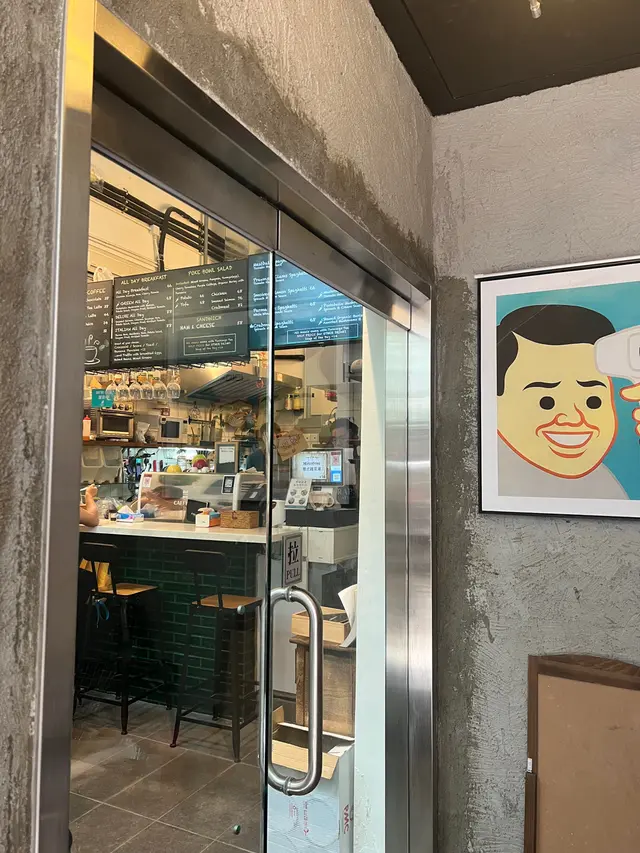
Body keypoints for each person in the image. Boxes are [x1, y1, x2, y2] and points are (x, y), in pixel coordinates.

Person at [496, 304, 640, 499]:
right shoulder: (492, 480)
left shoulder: (608, 490)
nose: (574, 418)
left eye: (593, 401)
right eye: (546, 402)